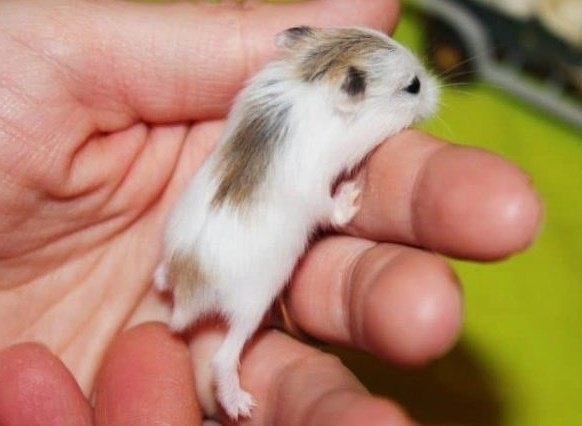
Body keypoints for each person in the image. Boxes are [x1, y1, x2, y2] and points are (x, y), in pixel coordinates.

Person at [0, 0, 542, 424]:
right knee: (262, 281)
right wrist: (335, 206)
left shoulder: (269, 85)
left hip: (185, 237)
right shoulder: (326, 129)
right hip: (237, 255)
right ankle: (227, 365)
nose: (425, 97)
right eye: (410, 90)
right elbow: (302, 189)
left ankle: (169, 272)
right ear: (350, 94)